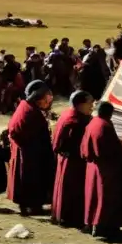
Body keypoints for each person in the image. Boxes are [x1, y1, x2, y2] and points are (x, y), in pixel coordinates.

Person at [7, 80, 56, 216]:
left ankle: (29, 205)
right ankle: (32, 206)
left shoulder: (26, 106)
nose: (49, 99)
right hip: (30, 154)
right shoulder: (30, 113)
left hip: (29, 151)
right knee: (32, 179)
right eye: (47, 96)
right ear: (38, 97)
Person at [82, 100, 122, 238]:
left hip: (93, 167)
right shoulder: (104, 126)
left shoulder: (92, 123)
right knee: (105, 197)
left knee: (93, 196)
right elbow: (112, 149)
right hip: (105, 168)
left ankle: (90, 223)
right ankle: (101, 226)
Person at [51, 90, 94, 229]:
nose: (92, 107)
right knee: (72, 190)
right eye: (89, 104)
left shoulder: (68, 114)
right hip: (73, 161)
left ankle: (64, 216)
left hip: (67, 159)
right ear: (80, 104)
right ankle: (71, 218)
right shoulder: (75, 121)